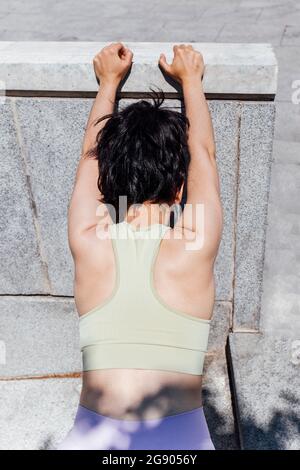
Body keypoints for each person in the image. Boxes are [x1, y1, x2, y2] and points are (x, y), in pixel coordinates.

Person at [56, 42, 223, 450]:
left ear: (107, 182)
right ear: (179, 187)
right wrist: (192, 83)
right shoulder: (193, 244)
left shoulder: (88, 239)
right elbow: (203, 153)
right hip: (183, 443)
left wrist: (109, 83)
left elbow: (87, 158)